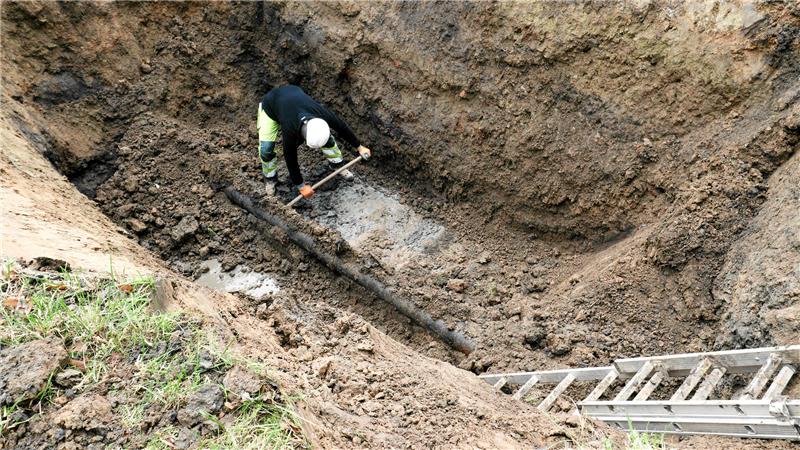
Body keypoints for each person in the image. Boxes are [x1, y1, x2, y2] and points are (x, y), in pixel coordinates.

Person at [256, 85, 371, 198]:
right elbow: (290, 156)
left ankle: (337, 165)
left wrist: (359, 147)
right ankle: (270, 178)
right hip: (270, 107)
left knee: (326, 139)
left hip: (295, 96)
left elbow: (341, 127)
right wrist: (300, 185)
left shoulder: (320, 113)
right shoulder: (289, 128)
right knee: (266, 149)